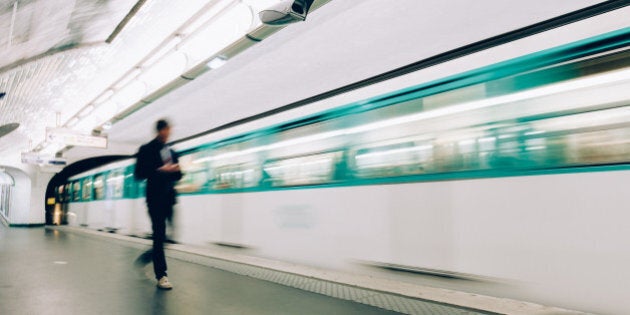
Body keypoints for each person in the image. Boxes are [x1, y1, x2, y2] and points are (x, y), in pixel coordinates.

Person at [134, 119, 183, 290]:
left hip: (169, 199)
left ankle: (147, 258)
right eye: (166, 130)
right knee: (159, 234)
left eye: (170, 130)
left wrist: (176, 170)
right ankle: (161, 275)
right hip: (154, 199)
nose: (168, 133)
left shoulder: (171, 151)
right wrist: (159, 170)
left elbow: (178, 176)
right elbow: (139, 174)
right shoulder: (146, 150)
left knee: (167, 237)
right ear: (160, 131)